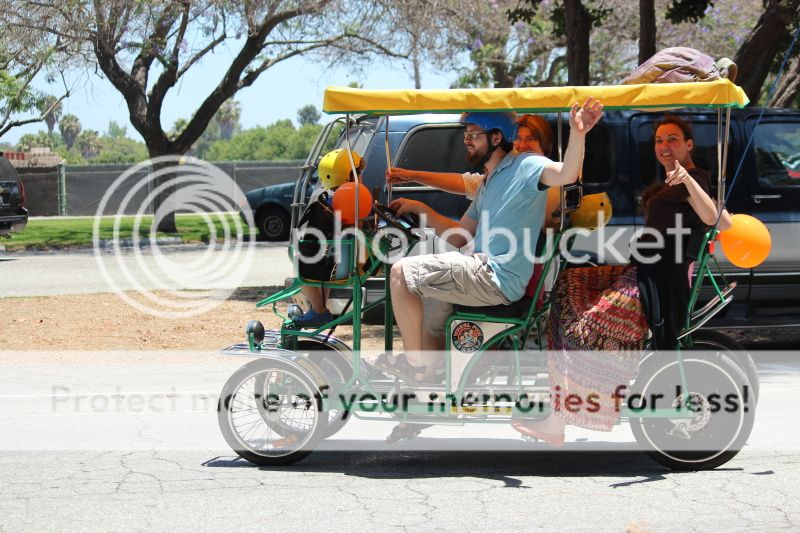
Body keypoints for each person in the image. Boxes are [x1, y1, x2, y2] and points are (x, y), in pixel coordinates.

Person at [512, 114, 733, 445]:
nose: (664, 146)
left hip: (658, 281)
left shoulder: (694, 178)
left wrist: (688, 179)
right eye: (659, 140)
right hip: (640, 270)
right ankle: (557, 395)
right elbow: (712, 220)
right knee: (567, 286)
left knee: (583, 328)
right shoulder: (670, 182)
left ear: (689, 145)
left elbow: (717, 220)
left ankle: (561, 418)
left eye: (672, 139)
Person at [377, 98, 604, 384]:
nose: (466, 140)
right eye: (466, 134)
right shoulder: (489, 181)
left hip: (495, 277)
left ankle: (415, 367)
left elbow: (567, 173)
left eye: (474, 134)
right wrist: (419, 209)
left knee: (400, 273)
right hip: (481, 271)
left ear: (497, 137)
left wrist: (578, 133)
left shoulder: (527, 165)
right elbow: (460, 235)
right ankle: (428, 382)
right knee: (432, 305)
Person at [293, 148, 365, 328]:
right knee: (320, 262)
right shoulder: (361, 199)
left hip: (336, 268)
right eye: (358, 173)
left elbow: (313, 238)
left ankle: (318, 310)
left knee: (300, 260)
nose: (361, 177)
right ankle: (320, 309)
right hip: (353, 264)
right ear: (348, 176)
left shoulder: (327, 204)